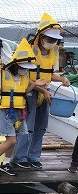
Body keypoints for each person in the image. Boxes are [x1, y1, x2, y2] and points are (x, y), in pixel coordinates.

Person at [12, 13, 70, 169]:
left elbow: (49, 73)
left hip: (45, 93)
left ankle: (33, 156)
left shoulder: (53, 52)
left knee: (41, 127)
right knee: (27, 126)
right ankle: (20, 157)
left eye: (54, 40)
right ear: (40, 37)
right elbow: (22, 76)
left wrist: (61, 79)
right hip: (30, 92)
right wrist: (42, 90)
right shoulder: (28, 50)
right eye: (49, 39)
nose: (52, 43)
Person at [0, 38, 42, 177]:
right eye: (23, 67)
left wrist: (34, 84)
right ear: (16, 64)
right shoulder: (3, 74)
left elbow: (23, 92)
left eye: (27, 67)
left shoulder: (24, 76)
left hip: (18, 110)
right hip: (4, 110)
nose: (25, 70)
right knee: (12, 139)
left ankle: (5, 164)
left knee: (15, 139)